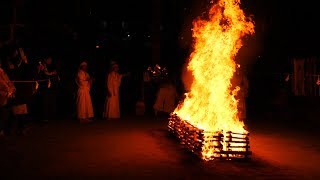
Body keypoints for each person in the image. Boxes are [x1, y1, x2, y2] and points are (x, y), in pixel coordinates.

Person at [38, 56, 59, 122]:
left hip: (52, 87)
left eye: (51, 59)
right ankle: (45, 117)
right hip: (44, 87)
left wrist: (53, 74)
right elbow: (45, 74)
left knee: (52, 101)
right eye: (49, 59)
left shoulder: (52, 66)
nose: (50, 61)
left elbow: (55, 74)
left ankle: (52, 116)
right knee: (45, 102)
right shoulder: (42, 66)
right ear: (45, 59)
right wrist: (51, 73)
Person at [0, 60, 16, 136]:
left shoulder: (2, 72)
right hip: (2, 98)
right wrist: (7, 92)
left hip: (6, 97)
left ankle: (5, 130)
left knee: (9, 114)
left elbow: (8, 82)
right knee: (4, 114)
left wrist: (12, 89)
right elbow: (3, 85)